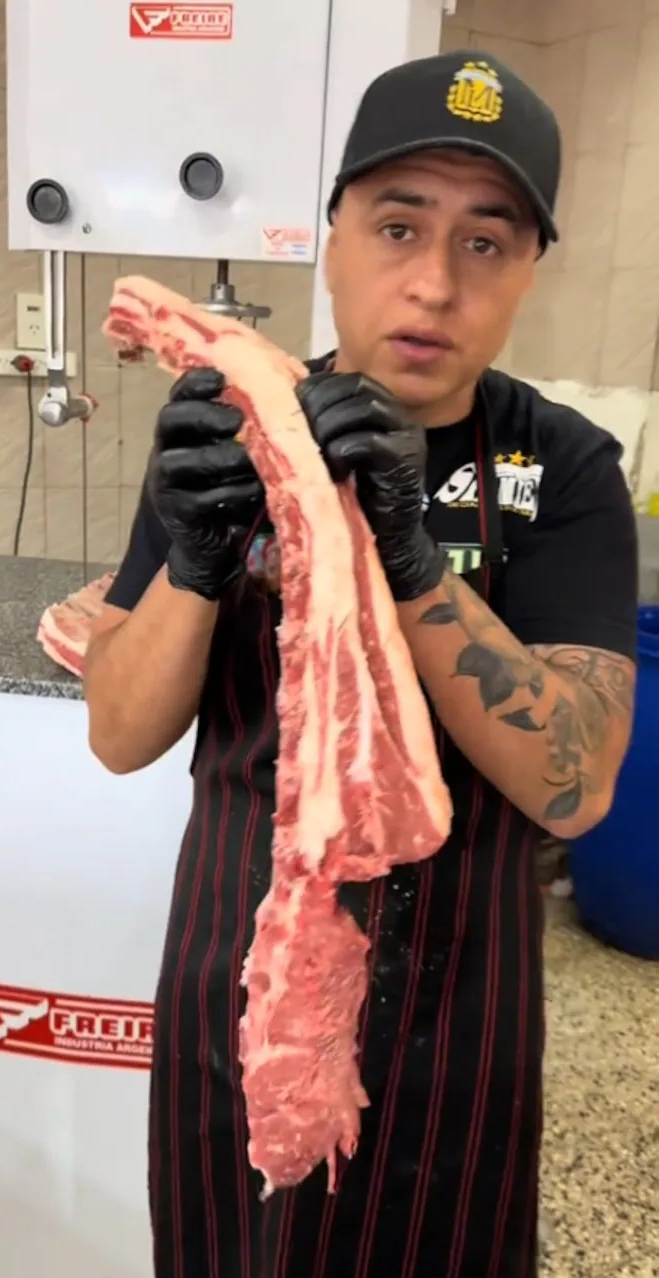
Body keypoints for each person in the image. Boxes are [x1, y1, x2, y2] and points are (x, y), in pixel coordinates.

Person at [84, 50, 638, 1278]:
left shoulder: (560, 468)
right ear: (329, 238)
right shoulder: (229, 430)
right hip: (243, 968)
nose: (433, 282)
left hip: (456, 1009)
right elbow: (117, 734)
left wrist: (408, 556)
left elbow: (575, 785)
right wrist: (193, 555)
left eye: (485, 243)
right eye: (397, 226)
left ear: (527, 271)